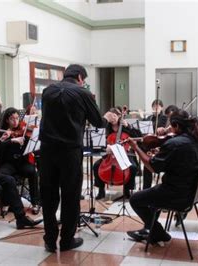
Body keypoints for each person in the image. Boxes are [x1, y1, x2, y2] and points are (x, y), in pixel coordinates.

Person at [39, 64, 117, 252]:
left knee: (48, 196)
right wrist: (107, 117)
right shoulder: (83, 93)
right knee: (70, 195)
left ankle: (50, 239)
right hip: (69, 152)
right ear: (80, 77)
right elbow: (98, 122)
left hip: (47, 150)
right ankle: (66, 240)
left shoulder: (48, 91)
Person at [126, 110, 198, 243]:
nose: (168, 128)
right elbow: (182, 161)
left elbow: (153, 168)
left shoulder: (175, 143)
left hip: (176, 194)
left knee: (135, 199)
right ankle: (150, 229)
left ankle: (158, 232)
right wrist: (162, 154)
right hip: (193, 192)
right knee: (152, 194)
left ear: (176, 126)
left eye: (171, 125)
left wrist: (136, 147)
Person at [0, 107, 40, 213]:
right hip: (9, 164)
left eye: (17, 118)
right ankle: (5, 203)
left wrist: (31, 136)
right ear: (7, 120)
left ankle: (35, 203)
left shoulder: (24, 130)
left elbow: (33, 141)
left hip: (22, 162)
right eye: (12, 119)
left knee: (32, 172)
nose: (15, 121)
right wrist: (10, 140)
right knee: (3, 174)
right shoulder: (4, 134)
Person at [93, 107, 142, 200]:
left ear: (119, 116)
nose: (113, 119)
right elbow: (99, 140)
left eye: (115, 116)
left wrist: (128, 126)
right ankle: (101, 190)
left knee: (132, 167)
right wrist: (105, 147)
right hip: (110, 155)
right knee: (96, 165)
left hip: (125, 154)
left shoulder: (125, 125)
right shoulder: (106, 127)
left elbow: (139, 136)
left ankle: (127, 190)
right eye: (111, 116)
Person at [142, 99, 168, 189]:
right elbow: (143, 129)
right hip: (149, 145)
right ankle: (146, 188)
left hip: (160, 145)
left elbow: (159, 127)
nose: (155, 108)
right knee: (146, 163)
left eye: (158, 106)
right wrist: (142, 118)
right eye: (154, 106)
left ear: (162, 107)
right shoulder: (149, 118)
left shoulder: (164, 118)